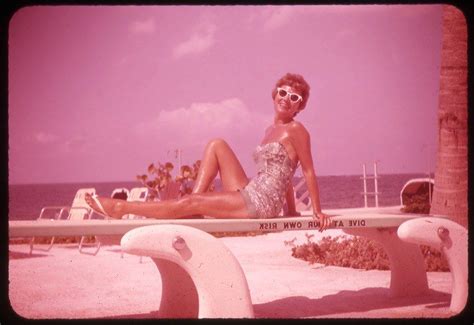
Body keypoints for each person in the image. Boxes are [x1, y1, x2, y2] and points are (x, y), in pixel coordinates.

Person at [85, 73, 332, 231]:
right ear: (274, 94)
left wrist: (316, 211)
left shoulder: (298, 130)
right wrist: (289, 209)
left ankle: (122, 208)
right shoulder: (271, 129)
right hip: (253, 189)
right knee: (217, 144)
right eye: (283, 92)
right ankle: (190, 208)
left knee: (191, 202)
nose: (287, 99)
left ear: (300, 106)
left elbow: (307, 171)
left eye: (295, 97)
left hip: (261, 202)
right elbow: (284, 172)